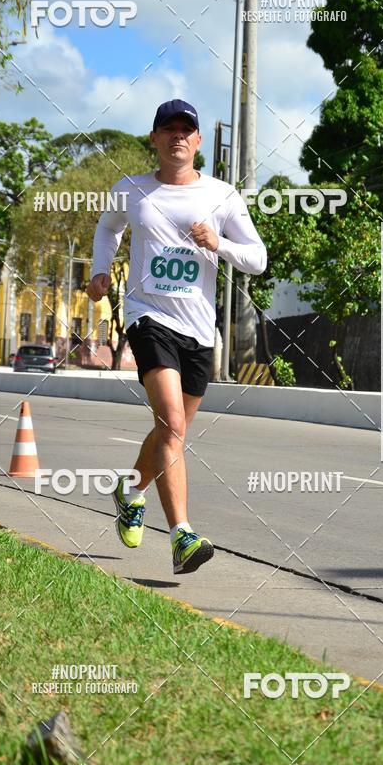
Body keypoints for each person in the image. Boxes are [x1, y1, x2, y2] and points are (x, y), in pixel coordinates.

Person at [87, 99, 266, 574]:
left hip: (199, 330)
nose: (177, 136)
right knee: (171, 424)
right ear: (155, 138)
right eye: (168, 129)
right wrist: (100, 270)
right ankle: (181, 535)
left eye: (186, 129)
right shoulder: (131, 190)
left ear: (199, 141)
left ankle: (130, 490)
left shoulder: (222, 195)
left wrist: (218, 244)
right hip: (148, 316)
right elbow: (107, 230)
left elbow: (258, 258)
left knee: (174, 430)